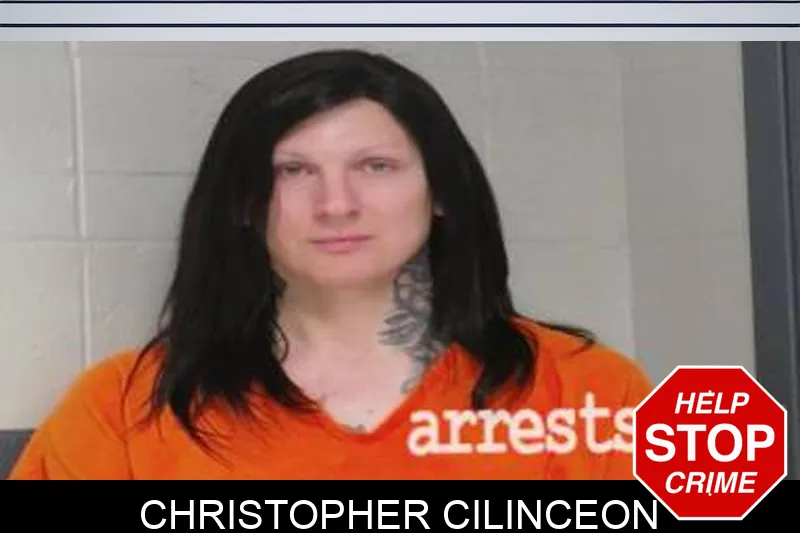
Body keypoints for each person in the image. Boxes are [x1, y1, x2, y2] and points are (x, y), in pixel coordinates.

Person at [9, 48, 652, 480]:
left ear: (443, 192)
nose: (336, 204)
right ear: (242, 202)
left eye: (376, 166)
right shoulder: (122, 410)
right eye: (293, 171)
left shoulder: (592, 392)